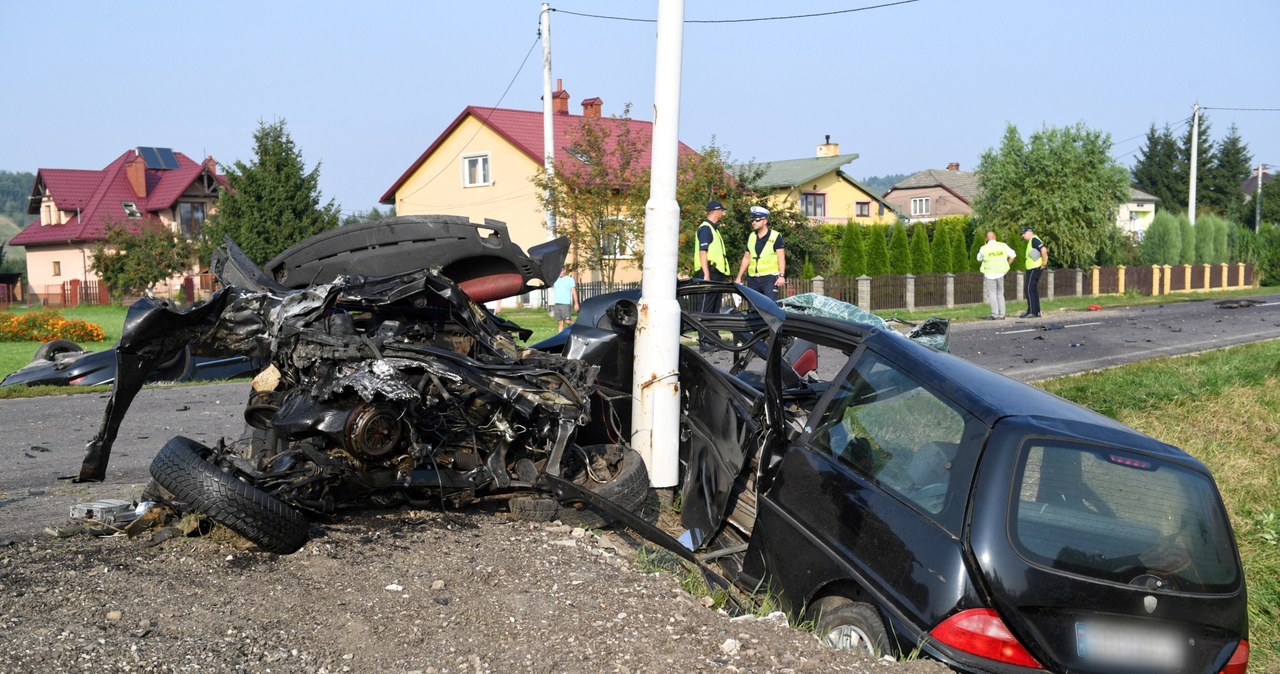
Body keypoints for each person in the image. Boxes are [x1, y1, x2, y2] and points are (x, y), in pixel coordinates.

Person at [734, 206, 786, 301]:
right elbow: (746, 258)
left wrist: (781, 276)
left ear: (765, 221)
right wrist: (739, 277)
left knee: (769, 308)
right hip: (753, 279)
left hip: (769, 279)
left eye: (757, 220)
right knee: (753, 308)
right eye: (752, 220)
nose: (754, 222)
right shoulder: (751, 236)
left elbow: (781, 257)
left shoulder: (775, 236)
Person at [693, 200, 731, 314]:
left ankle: (713, 332)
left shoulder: (714, 229)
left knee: (715, 308)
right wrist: (706, 274)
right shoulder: (706, 229)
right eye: (721, 211)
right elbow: (702, 252)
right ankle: (703, 332)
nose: (722, 214)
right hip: (709, 272)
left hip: (716, 274)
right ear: (716, 212)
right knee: (706, 307)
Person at [976, 231, 1016, 320]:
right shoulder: (1003, 246)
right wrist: (1007, 265)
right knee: (1000, 294)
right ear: (995, 237)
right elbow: (1013, 255)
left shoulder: (984, 248)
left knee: (992, 294)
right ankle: (1002, 314)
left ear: (986, 239)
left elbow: (978, 259)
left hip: (989, 274)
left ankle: (994, 314)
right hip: (1001, 273)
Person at [1020, 226, 1048, 318]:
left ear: (1029, 232)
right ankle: (1036, 311)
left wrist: (1044, 263)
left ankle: (1032, 312)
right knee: (1032, 289)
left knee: (1028, 289)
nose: (1023, 236)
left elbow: (1043, 250)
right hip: (1033, 268)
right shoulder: (1032, 241)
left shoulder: (1034, 240)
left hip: (1034, 268)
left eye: (1023, 234)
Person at [551, 268, 579, 332]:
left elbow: (574, 292)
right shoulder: (555, 280)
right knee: (560, 323)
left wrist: (576, 303)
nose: (560, 272)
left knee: (567, 321)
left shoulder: (569, 279)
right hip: (557, 303)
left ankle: (577, 329)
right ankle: (559, 338)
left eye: (561, 271)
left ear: (564, 271)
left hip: (565, 304)